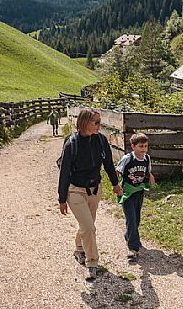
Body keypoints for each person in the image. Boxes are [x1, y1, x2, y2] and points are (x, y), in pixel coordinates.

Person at [58, 108, 123, 281]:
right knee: (89, 227)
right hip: (75, 190)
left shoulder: (101, 140)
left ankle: (79, 248)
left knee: (88, 224)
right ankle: (92, 263)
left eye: (100, 122)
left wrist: (116, 185)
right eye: (96, 122)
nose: (99, 125)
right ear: (85, 123)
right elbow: (64, 172)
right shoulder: (72, 143)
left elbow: (108, 164)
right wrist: (62, 199)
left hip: (95, 189)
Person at [116, 133, 155, 260]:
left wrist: (151, 176)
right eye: (140, 146)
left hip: (139, 191)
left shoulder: (147, 158)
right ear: (133, 146)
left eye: (145, 146)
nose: (143, 149)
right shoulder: (128, 158)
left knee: (136, 218)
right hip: (127, 193)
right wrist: (116, 185)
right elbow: (118, 171)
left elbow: (147, 171)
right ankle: (133, 248)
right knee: (131, 219)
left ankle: (129, 235)